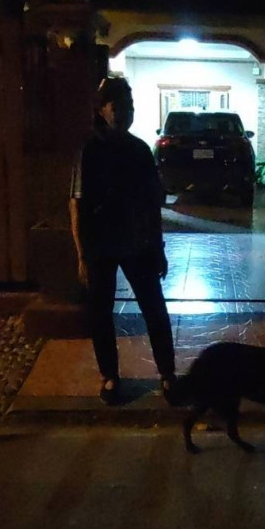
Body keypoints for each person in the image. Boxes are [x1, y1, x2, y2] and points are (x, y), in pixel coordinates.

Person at [70, 77, 176, 405]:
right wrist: (82, 255)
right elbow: (76, 205)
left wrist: (158, 247)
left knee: (154, 308)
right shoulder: (89, 151)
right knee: (101, 312)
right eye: (117, 105)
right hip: (100, 244)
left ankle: (168, 375)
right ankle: (110, 376)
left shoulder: (140, 150)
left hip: (138, 242)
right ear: (102, 109)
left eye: (129, 106)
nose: (125, 112)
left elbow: (153, 204)